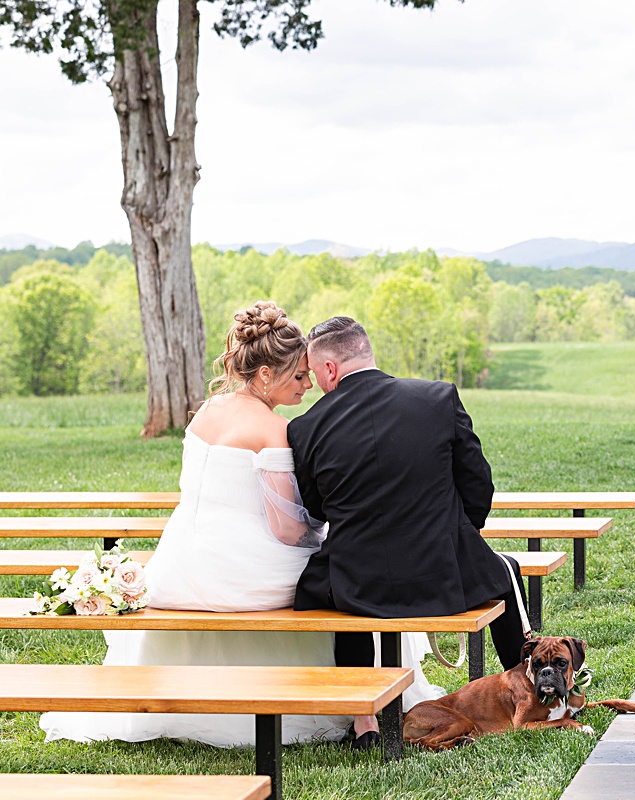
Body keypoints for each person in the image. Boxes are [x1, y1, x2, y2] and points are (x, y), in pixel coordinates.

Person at [40, 301, 445, 749]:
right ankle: (363, 704)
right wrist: (329, 535)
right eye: (298, 375)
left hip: (176, 567)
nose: (308, 383)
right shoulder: (273, 429)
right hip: (239, 576)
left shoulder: (207, 411)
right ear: (266, 374)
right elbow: (288, 530)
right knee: (354, 575)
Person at [288, 316, 532, 749]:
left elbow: (316, 508)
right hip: (443, 575)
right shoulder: (437, 397)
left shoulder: (306, 427)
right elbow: (478, 484)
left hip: (358, 584)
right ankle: (532, 688)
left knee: (338, 597)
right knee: (506, 570)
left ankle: (364, 726)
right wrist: (455, 538)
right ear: (365, 352)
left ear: (328, 370)